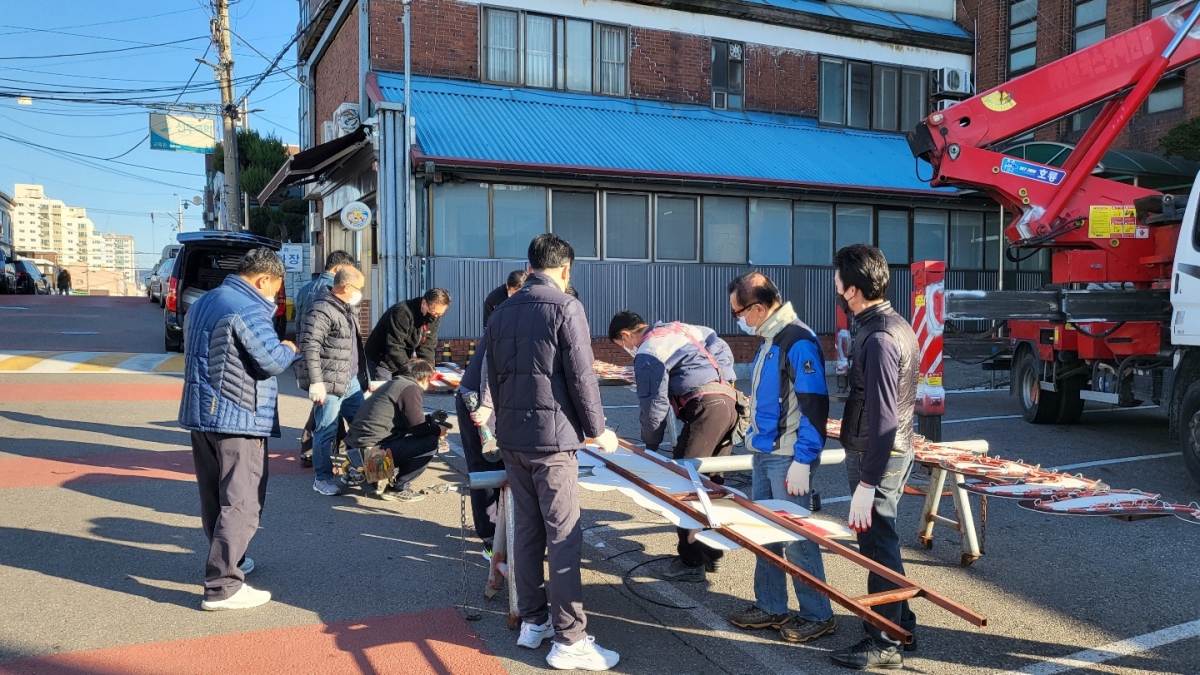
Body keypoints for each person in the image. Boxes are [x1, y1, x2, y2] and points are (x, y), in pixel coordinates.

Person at [487, 233, 621, 671]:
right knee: (564, 536)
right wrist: (598, 430)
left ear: (529, 268)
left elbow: (494, 377)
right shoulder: (566, 306)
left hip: (513, 439)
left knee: (527, 532)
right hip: (553, 442)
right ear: (566, 269)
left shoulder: (503, 309)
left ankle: (534, 620)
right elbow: (582, 375)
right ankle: (570, 639)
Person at [178, 248, 297, 611]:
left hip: (202, 412)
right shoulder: (248, 307)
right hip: (238, 416)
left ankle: (232, 561)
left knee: (214, 496)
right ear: (263, 280)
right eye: (276, 288)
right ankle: (223, 586)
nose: (275, 296)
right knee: (242, 500)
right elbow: (271, 360)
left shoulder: (204, 301)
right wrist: (288, 347)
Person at [726, 272, 836, 644]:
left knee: (797, 539)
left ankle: (818, 614)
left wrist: (804, 460)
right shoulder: (771, 338)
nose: (738, 320)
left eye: (738, 312)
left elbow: (814, 405)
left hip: (788, 458)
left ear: (758, 308)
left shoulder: (797, 340)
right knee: (765, 534)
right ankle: (771, 605)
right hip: (765, 453)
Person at [829, 244, 919, 671]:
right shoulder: (890, 323)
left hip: (879, 453)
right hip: (887, 449)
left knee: (878, 545)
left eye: (837, 279)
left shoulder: (879, 337)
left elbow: (884, 419)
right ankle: (902, 624)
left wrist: (867, 483)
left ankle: (885, 641)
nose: (834, 285)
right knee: (882, 541)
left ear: (852, 288)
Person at [607, 310, 739, 581]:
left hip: (705, 408)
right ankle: (713, 553)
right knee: (712, 483)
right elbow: (724, 351)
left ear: (626, 335)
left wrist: (650, 447)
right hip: (731, 404)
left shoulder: (649, 349)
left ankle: (691, 562)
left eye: (622, 346)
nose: (627, 351)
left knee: (685, 484)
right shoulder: (686, 329)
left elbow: (653, 405)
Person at [298, 266, 370, 497]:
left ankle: (355, 469)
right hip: (329, 382)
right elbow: (310, 346)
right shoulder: (322, 309)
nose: (361, 293)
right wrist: (316, 382)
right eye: (359, 288)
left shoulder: (347, 307)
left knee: (362, 426)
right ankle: (322, 478)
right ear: (346, 287)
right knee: (326, 430)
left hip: (350, 380)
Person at [343, 359, 448, 502]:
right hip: (372, 450)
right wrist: (438, 430)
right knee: (429, 442)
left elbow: (403, 419)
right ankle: (398, 488)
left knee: (416, 439)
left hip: (357, 445)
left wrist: (429, 419)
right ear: (424, 378)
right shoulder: (410, 387)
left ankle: (360, 470)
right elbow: (418, 428)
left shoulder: (394, 384)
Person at [294, 250, 356, 468]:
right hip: (329, 361)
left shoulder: (305, 289)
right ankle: (315, 456)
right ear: (339, 269)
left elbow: (300, 327)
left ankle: (315, 449)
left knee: (326, 410)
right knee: (327, 414)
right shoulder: (332, 292)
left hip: (311, 360)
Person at [455, 326, 502, 558]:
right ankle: (491, 540)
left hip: (500, 400)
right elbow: (491, 363)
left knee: (509, 467)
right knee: (488, 469)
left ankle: (508, 532)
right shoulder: (510, 318)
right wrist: (486, 404)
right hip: (479, 399)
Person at [365, 288, 451, 380]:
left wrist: (428, 370)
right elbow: (395, 346)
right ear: (424, 303)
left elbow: (427, 347)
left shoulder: (434, 319)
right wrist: (412, 371)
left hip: (403, 358)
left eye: (440, 314)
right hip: (381, 358)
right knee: (385, 387)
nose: (435, 317)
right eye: (434, 312)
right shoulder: (402, 312)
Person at [295, 250, 355, 333]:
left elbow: (298, 322)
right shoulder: (339, 290)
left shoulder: (304, 289)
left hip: (305, 338)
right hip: (329, 340)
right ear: (339, 268)